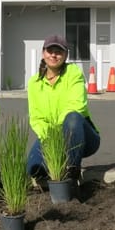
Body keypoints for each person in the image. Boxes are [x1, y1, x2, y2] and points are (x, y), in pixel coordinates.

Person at [26, 34, 100, 186]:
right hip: (52, 135)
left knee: (72, 117)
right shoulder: (34, 82)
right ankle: (55, 172)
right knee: (34, 169)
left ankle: (72, 171)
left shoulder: (73, 73)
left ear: (66, 55)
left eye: (59, 51)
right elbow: (36, 117)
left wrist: (58, 132)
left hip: (81, 137)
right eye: (50, 50)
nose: (54, 54)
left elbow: (77, 105)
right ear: (43, 53)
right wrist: (49, 137)